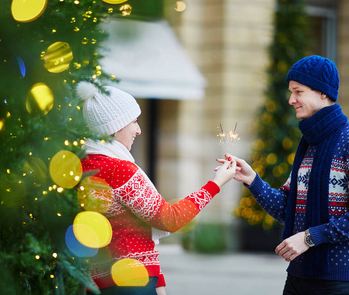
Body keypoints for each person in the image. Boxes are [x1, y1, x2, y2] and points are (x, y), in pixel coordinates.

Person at [219, 55, 349, 294]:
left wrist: (309, 237)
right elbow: (287, 207)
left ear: (322, 93)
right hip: (297, 278)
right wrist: (252, 179)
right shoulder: (309, 144)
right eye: (291, 92)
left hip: (338, 283)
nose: (291, 100)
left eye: (298, 92)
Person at [75, 81, 236, 295]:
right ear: (115, 127)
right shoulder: (119, 170)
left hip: (99, 282)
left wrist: (158, 282)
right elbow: (169, 219)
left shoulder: (83, 166)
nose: (139, 130)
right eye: (134, 121)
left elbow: (129, 228)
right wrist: (216, 184)